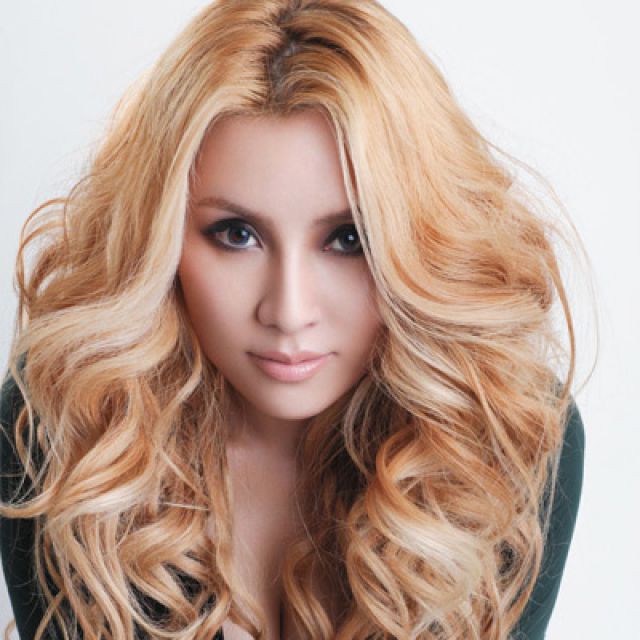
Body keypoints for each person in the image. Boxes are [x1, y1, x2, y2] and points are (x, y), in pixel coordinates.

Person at [0, 1, 591, 639]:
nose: (288, 312)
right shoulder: (67, 427)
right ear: (158, 240)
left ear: (421, 245)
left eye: (348, 240)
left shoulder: (504, 437)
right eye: (236, 234)